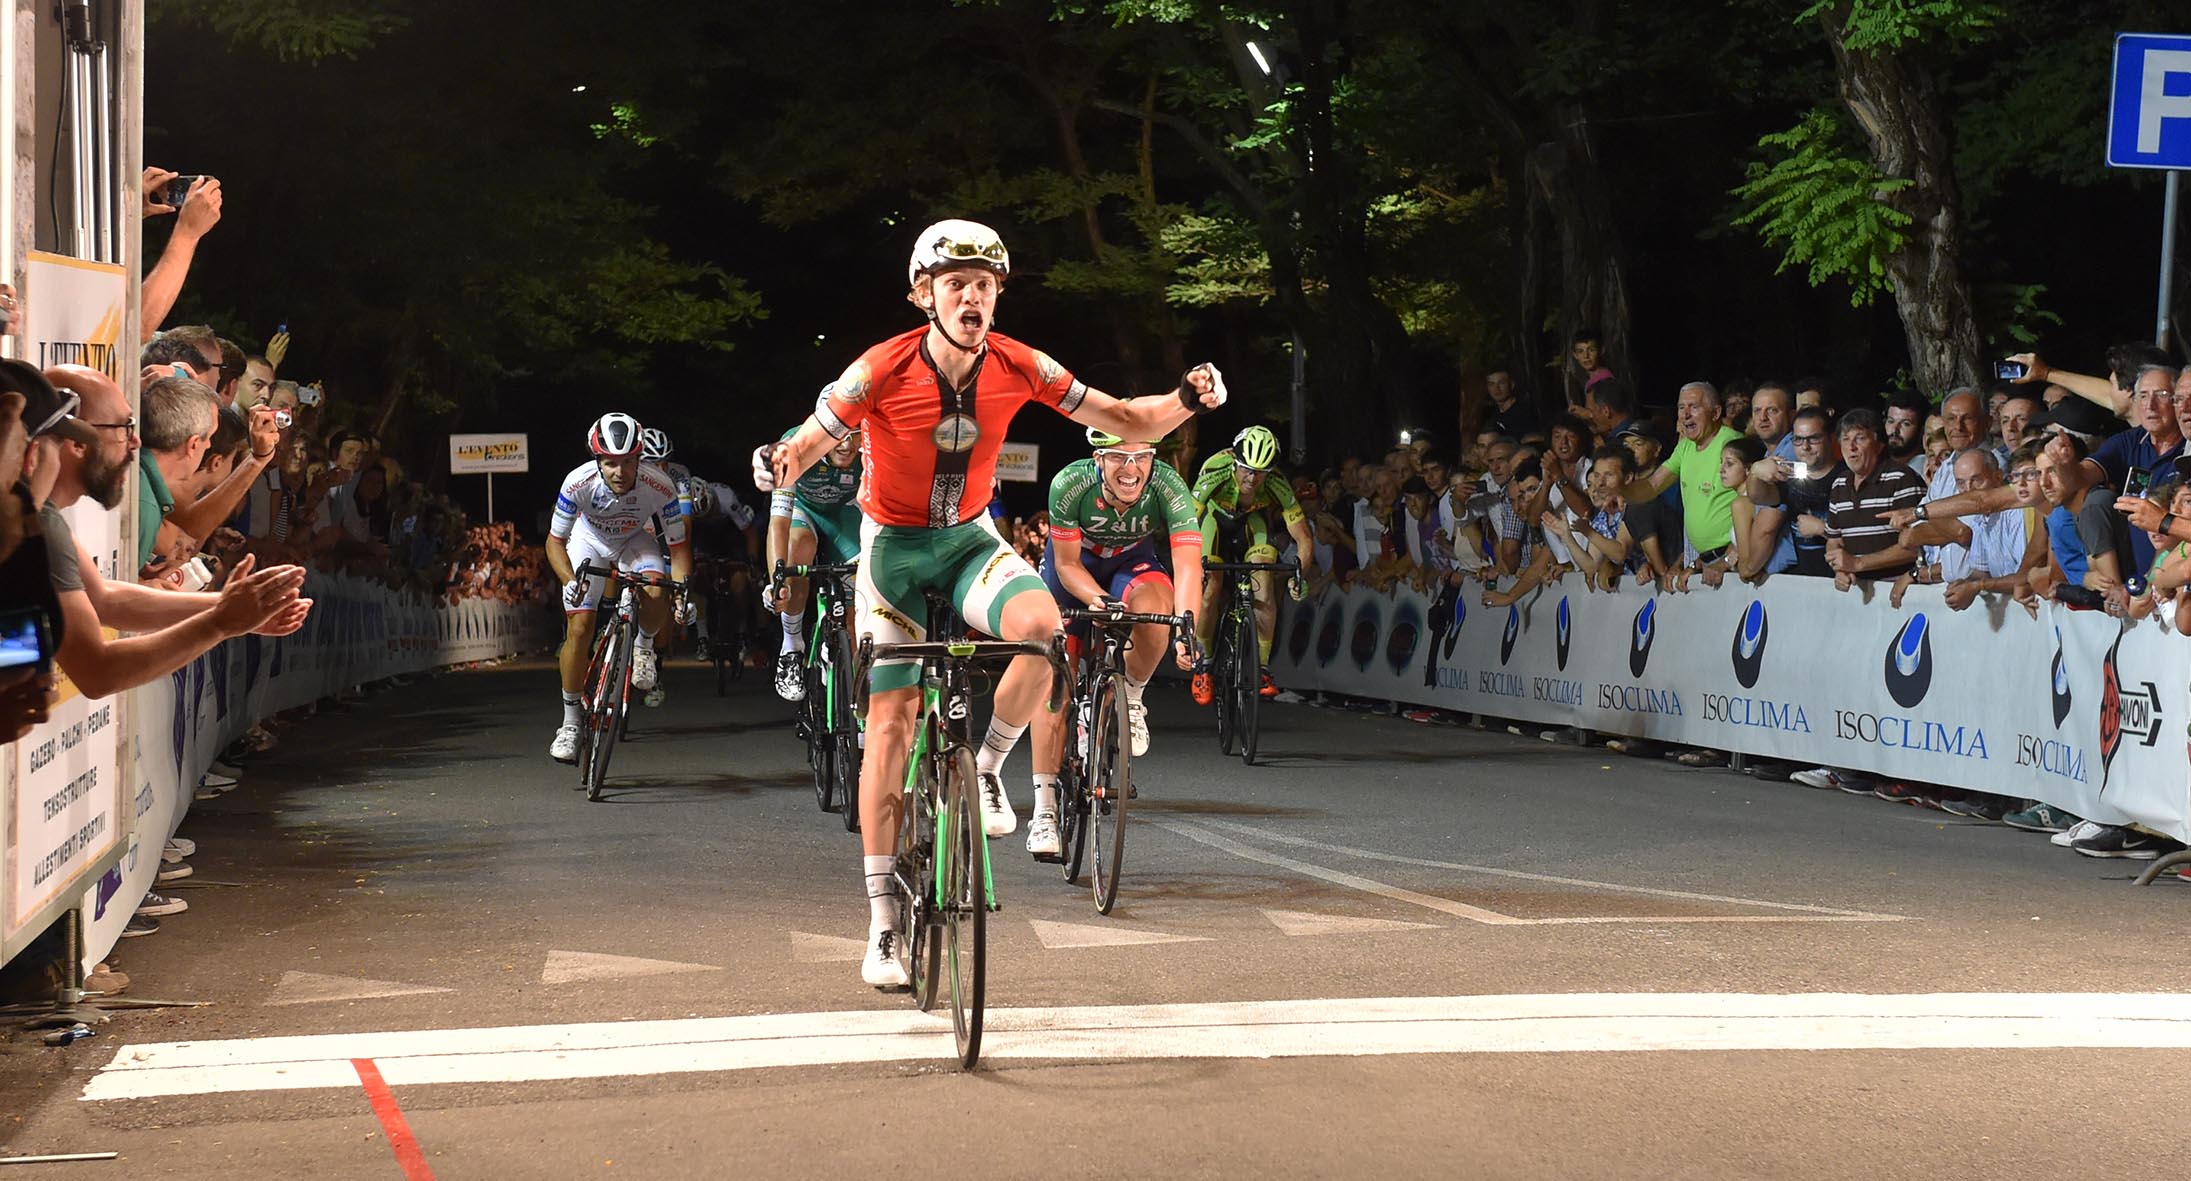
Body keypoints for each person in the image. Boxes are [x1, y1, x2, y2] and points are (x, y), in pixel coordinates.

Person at [755, 219, 1224, 988]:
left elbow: (1127, 421)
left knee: (1042, 630)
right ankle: (880, 926)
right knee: (891, 724)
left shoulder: (1020, 363)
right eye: (956, 284)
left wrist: (1183, 397)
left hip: (969, 539)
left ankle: (984, 763)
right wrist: (780, 461)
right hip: (894, 551)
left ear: (997, 298)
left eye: (985, 285)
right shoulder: (880, 367)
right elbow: (808, 440)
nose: (972, 296)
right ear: (923, 295)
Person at [1022, 423, 1202, 857]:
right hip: (1072, 571)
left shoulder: (1168, 485)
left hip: (1132, 563)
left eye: (1142, 457)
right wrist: (1099, 601)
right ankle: (1044, 810)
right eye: (1119, 457)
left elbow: (1189, 566)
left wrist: (1187, 627)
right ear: (1098, 459)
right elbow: (1066, 565)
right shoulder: (1070, 483)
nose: (1131, 468)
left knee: (1157, 615)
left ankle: (1133, 696)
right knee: (1053, 680)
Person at [543, 413, 692, 762]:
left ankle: (642, 648)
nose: (619, 472)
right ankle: (570, 722)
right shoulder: (577, 483)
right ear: (597, 460)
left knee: (657, 587)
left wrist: (682, 591)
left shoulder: (660, 486)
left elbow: (679, 548)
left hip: (634, 541)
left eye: (628, 462)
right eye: (610, 463)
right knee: (579, 627)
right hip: (588, 540)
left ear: (639, 458)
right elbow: (554, 542)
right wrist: (569, 581)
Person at [1189, 424, 1314, 703]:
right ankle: (1204, 664)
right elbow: (1185, 525)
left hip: (1252, 525)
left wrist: (1298, 576)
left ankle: (1262, 669)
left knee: (1265, 590)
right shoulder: (1214, 470)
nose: (1252, 478)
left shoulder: (1277, 483)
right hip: (1214, 522)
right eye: (1246, 469)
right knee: (1211, 588)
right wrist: (1191, 569)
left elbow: (1304, 537)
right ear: (1235, 460)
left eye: (1261, 473)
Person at [766, 420, 863, 701]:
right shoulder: (793, 445)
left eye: (854, 435)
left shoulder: (872, 444)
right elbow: (778, 524)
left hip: (845, 514)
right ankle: (791, 646)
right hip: (803, 511)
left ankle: (858, 703)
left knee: (857, 607)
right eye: (839, 436)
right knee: (798, 547)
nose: (846, 444)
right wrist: (777, 579)